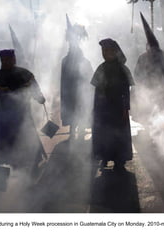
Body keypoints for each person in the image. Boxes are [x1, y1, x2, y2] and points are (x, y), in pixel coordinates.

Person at [0, 49, 46, 176]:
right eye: (3, 60)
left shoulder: (24, 73)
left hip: (23, 114)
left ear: (14, 59)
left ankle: (34, 163)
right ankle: (9, 167)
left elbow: (34, 89)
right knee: (7, 143)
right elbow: (5, 94)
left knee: (27, 137)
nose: (6, 62)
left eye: (9, 59)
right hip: (6, 116)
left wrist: (39, 98)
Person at [91, 38, 134, 172]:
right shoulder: (101, 68)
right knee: (103, 134)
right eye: (103, 51)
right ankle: (104, 156)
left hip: (117, 108)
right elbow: (97, 91)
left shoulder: (122, 69)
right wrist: (95, 108)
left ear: (115, 52)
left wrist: (126, 108)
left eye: (108, 50)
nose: (105, 53)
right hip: (103, 108)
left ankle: (119, 161)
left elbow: (126, 91)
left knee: (118, 135)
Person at [60, 15, 93, 139]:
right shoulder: (65, 61)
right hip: (70, 90)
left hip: (81, 89)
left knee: (81, 108)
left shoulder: (84, 61)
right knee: (72, 110)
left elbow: (89, 76)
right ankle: (72, 132)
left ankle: (81, 130)